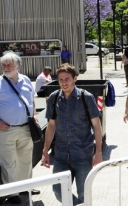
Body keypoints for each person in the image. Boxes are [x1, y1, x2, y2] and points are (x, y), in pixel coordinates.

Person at [42, 64, 103, 204]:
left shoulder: (86, 97)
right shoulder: (53, 98)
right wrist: (45, 150)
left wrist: (98, 152)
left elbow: (97, 126)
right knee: (58, 190)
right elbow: (51, 126)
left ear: (75, 78)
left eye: (67, 79)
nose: (64, 83)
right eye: (61, 79)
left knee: (84, 193)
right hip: (61, 155)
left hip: (83, 155)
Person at [0, 54, 39, 204]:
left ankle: (26, 186)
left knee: (25, 159)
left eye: (9, 65)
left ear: (18, 66)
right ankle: (12, 192)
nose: (6, 68)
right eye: (4, 65)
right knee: (8, 162)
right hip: (6, 129)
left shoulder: (26, 80)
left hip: (26, 128)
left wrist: (34, 114)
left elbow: (31, 100)